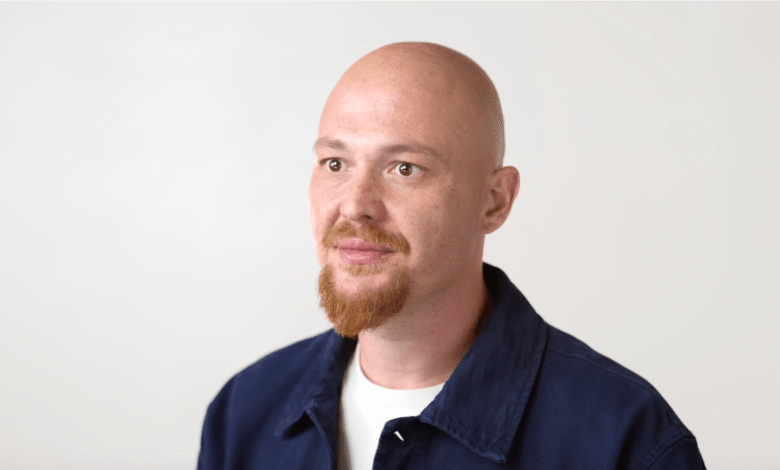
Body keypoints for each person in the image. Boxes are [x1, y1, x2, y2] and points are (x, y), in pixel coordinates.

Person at [197, 42, 706, 469]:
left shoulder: (624, 440)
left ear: (495, 201)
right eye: (335, 163)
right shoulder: (245, 411)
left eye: (404, 169)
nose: (354, 205)